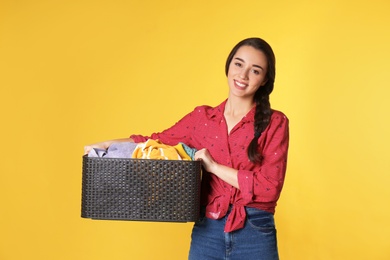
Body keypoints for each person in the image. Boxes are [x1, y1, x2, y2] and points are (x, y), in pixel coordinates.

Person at [84, 37, 289, 260]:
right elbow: (155, 141)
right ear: (229, 65)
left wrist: (214, 167)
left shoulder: (275, 122)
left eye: (255, 70)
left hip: (255, 232)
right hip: (208, 230)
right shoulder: (202, 119)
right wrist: (105, 145)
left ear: (264, 79)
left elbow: (269, 188)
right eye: (239, 64)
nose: (243, 75)